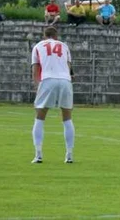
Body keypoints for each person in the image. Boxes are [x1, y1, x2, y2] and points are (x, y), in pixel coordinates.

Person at [31, 26, 75, 164]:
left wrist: (37, 85)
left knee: (40, 116)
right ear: (56, 36)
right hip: (65, 80)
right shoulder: (64, 46)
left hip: (48, 79)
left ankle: (38, 154)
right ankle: (69, 154)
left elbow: (35, 68)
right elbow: (69, 67)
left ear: (44, 35)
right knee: (67, 117)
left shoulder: (38, 46)